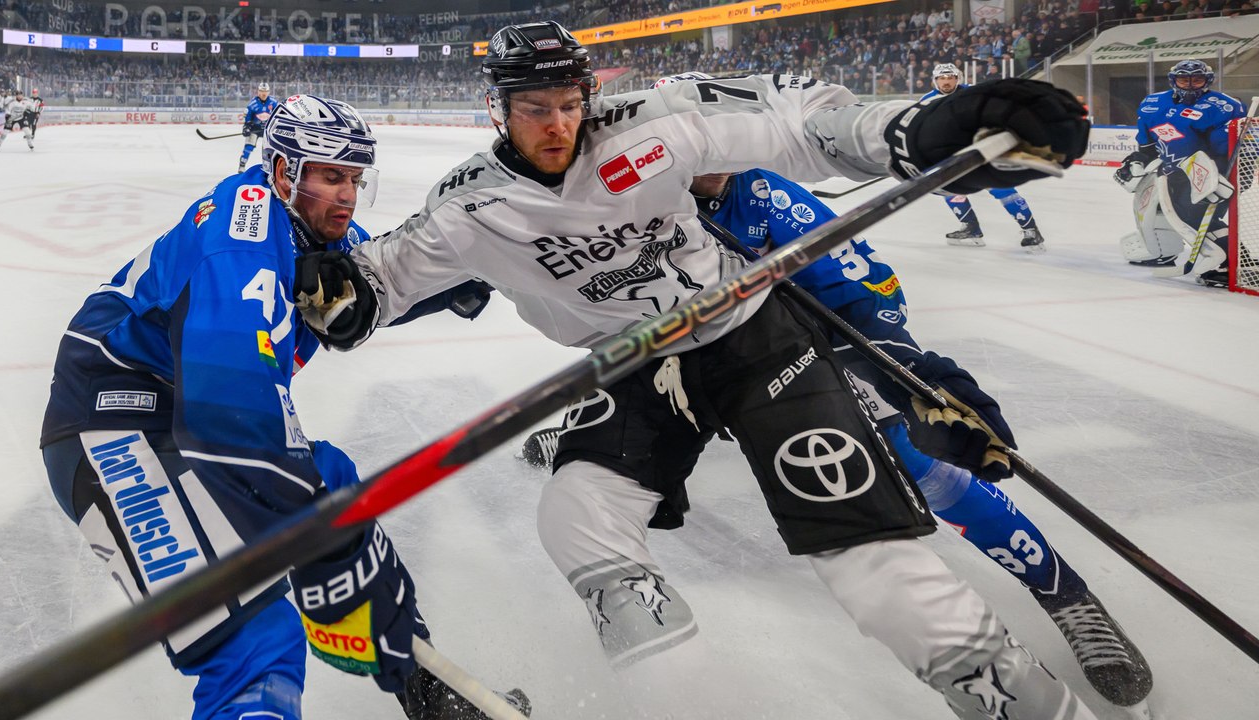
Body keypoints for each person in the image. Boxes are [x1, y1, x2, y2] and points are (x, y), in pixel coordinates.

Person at [316, 21, 1093, 719]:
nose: (557, 124)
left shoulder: (652, 121)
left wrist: (924, 126)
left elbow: (800, 122)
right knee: (575, 514)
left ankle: (1024, 702)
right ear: (498, 109)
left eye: (568, 102)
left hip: (753, 339)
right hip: (638, 368)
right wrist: (330, 289)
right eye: (534, 109)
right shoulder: (469, 206)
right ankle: (684, 698)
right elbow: (378, 281)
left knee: (862, 553)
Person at [519, 76, 1153, 713]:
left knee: (916, 462)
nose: (716, 170)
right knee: (644, 417)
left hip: (802, 357)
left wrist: (905, 373)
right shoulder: (627, 204)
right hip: (691, 365)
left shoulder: (771, 198)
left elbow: (864, 289)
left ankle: (1066, 594)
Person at [39, 94, 526, 720]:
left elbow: (380, 282)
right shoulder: (241, 237)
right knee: (253, 638)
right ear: (282, 172)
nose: (347, 195)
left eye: (354, 178)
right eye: (330, 176)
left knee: (335, 487)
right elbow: (229, 410)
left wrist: (474, 275)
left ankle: (421, 686)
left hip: (177, 415)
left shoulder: (311, 227)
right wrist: (321, 533)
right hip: (115, 428)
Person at [1115, 59, 1246, 287]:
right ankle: (1163, 251)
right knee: (1160, 210)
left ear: (1207, 81)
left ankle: (1234, 264)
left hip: (1215, 172)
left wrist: (1221, 175)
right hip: (1173, 171)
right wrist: (1137, 160)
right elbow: (1147, 146)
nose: (1190, 85)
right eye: (1184, 79)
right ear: (1173, 80)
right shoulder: (1152, 103)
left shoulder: (1223, 106)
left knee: (1195, 215)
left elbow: (1229, 147)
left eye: (1197, 80)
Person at [924, 64, 1046, 251]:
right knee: (951, 189)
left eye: (950, 77)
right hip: (952, 153)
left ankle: (1031, 230)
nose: (946, 82)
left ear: (958, 78)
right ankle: (971, 229)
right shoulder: (927, 101)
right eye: (942, 78)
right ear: (935, 80)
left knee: (1001, 188)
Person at [240, 81, 279, 173]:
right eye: (261, 91)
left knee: (272, 149)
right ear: (258, 92)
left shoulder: (274, 103)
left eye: (265, 91)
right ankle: (242, 166)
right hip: (255, 129)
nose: (263, 93)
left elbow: (278, 116)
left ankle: (272, 169)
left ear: (269, 92)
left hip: (268, 130)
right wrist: (247, 128)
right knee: (248, 147)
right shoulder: (252, 104)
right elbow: (248, 118)